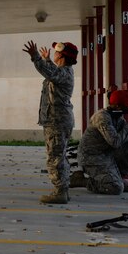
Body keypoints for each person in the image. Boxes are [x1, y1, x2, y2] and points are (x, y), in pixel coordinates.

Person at [23, 40, 77, 204]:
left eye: (56, 52)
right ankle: (63, 190)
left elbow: (50, 73)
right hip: (57, 120)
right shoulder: (63, 71)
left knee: (55, 157)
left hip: (57, 121)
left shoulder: (64, 72)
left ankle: (60, 192)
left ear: (61, 55)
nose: (54, 53)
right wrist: (46, 60)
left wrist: (36, 58)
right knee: (59, 156)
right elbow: (52, 72)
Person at [75, 90, 128, 195]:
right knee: (115, 188)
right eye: (126, 106)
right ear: (118, 107)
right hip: (92, 157)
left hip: (107, 153)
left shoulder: (117, 117)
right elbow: (115, 142)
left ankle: (117, 178)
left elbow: (125, 137)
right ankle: (83, 181)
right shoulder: (102, 117)